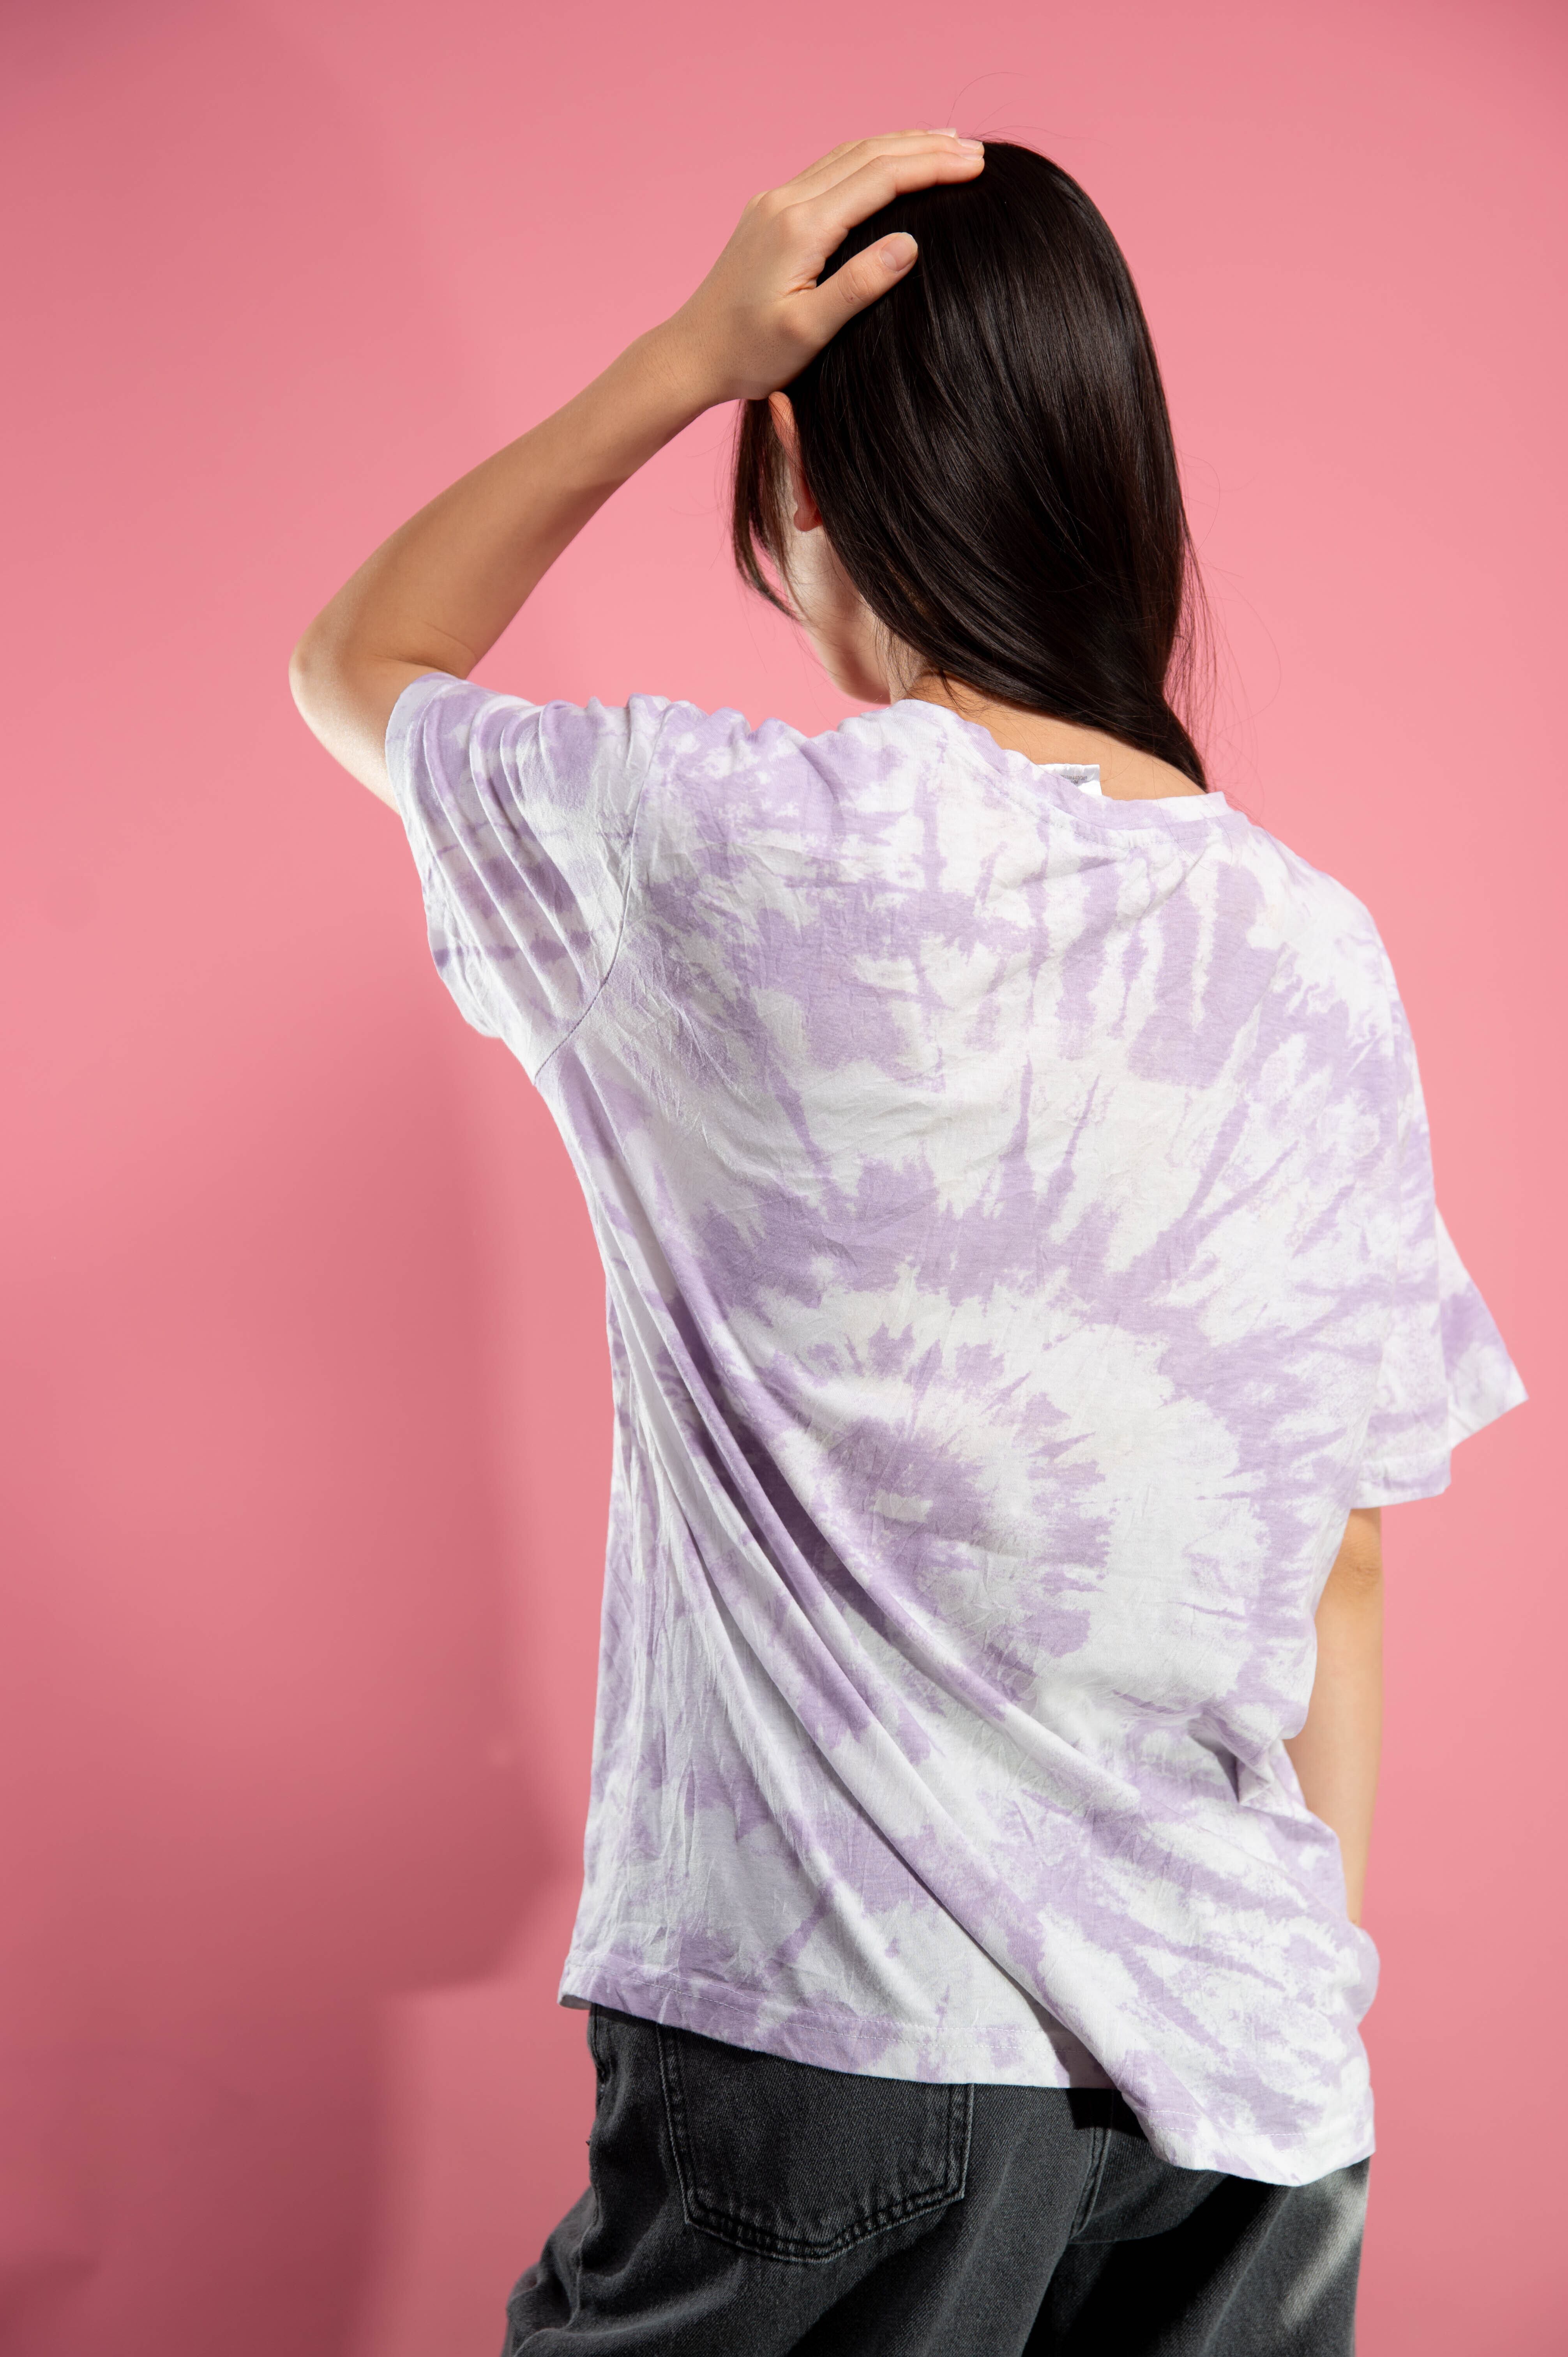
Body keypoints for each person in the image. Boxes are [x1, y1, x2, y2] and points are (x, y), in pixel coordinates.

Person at [290, 132, 1524, 2356]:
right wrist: (1268, 1996)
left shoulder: (708, 845)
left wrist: (682, 358)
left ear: (798, 472)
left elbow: (359, 657)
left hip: (833, 2028)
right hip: (1246, 2087)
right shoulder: (1310, 947)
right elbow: (1340, 1553)